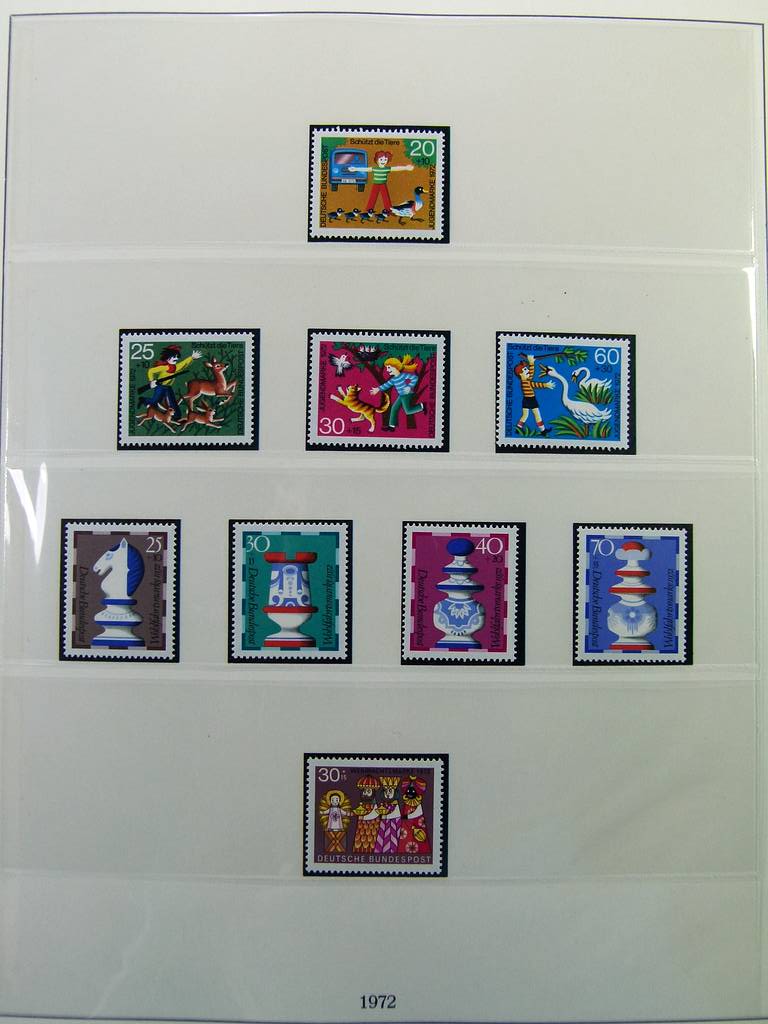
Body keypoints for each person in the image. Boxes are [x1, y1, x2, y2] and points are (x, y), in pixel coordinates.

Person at [144, 344, 202, 422]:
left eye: (177, 357)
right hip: (160, 387)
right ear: (167, 358)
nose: (176, 358)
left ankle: (177, 416)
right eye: (174, 356)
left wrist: (192, 358)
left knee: (172, 402)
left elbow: (184, 364)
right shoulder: (164, 367)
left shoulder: (176, 367)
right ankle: (144, 401)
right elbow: (151, 371)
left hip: (168, 387)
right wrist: (152, 380)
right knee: (155, 401)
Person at [371, 355, 424, 430]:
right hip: (401, 395)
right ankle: (392, 426)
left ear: (395, 367)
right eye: (386, 368)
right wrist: (378, 389)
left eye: (389, 367)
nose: (387, 370)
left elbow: (414, 378)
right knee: (394, 408)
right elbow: (387, 385)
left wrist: (409, 386)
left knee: (408, 411)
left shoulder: (403, 375)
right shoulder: (394, 379)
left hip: (407, 394)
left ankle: (422, 406)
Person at [513, 353, 554, 435]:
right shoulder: (526, 382)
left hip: (526, 400)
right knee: (536, 415)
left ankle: (518, 428)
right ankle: (542, 431)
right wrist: (546, 385)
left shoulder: (525, 380)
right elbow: (535, 384)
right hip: (531, 399)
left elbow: (531, 375)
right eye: (525, 371)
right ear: (520, 374)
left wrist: (531, 363)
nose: (528, 371)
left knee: (525, 415)